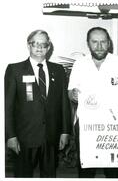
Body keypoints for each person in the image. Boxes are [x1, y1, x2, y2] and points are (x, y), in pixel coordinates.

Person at [68, 27, 118, 178]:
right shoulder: (80, 64)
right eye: (95, 42)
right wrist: (73, 95)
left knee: (112, 168)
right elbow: (70, 92)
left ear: (109, 43)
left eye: (103, 42)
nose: (99, 46)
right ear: (88, 43)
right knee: (85, 167)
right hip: (86, 124)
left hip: (113, 124)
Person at [5, 29, 71, 177]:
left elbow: (64, 103)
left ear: (49, 47)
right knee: (23, 175)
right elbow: (7, 106)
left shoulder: (58, 70)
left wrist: (65, 131)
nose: (39, 47)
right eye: (35, 43)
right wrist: (10, 136)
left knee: (49, 175)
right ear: (29, 46)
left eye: (43, 44)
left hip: (51, 137)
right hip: (24, 138)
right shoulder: (15, 70)